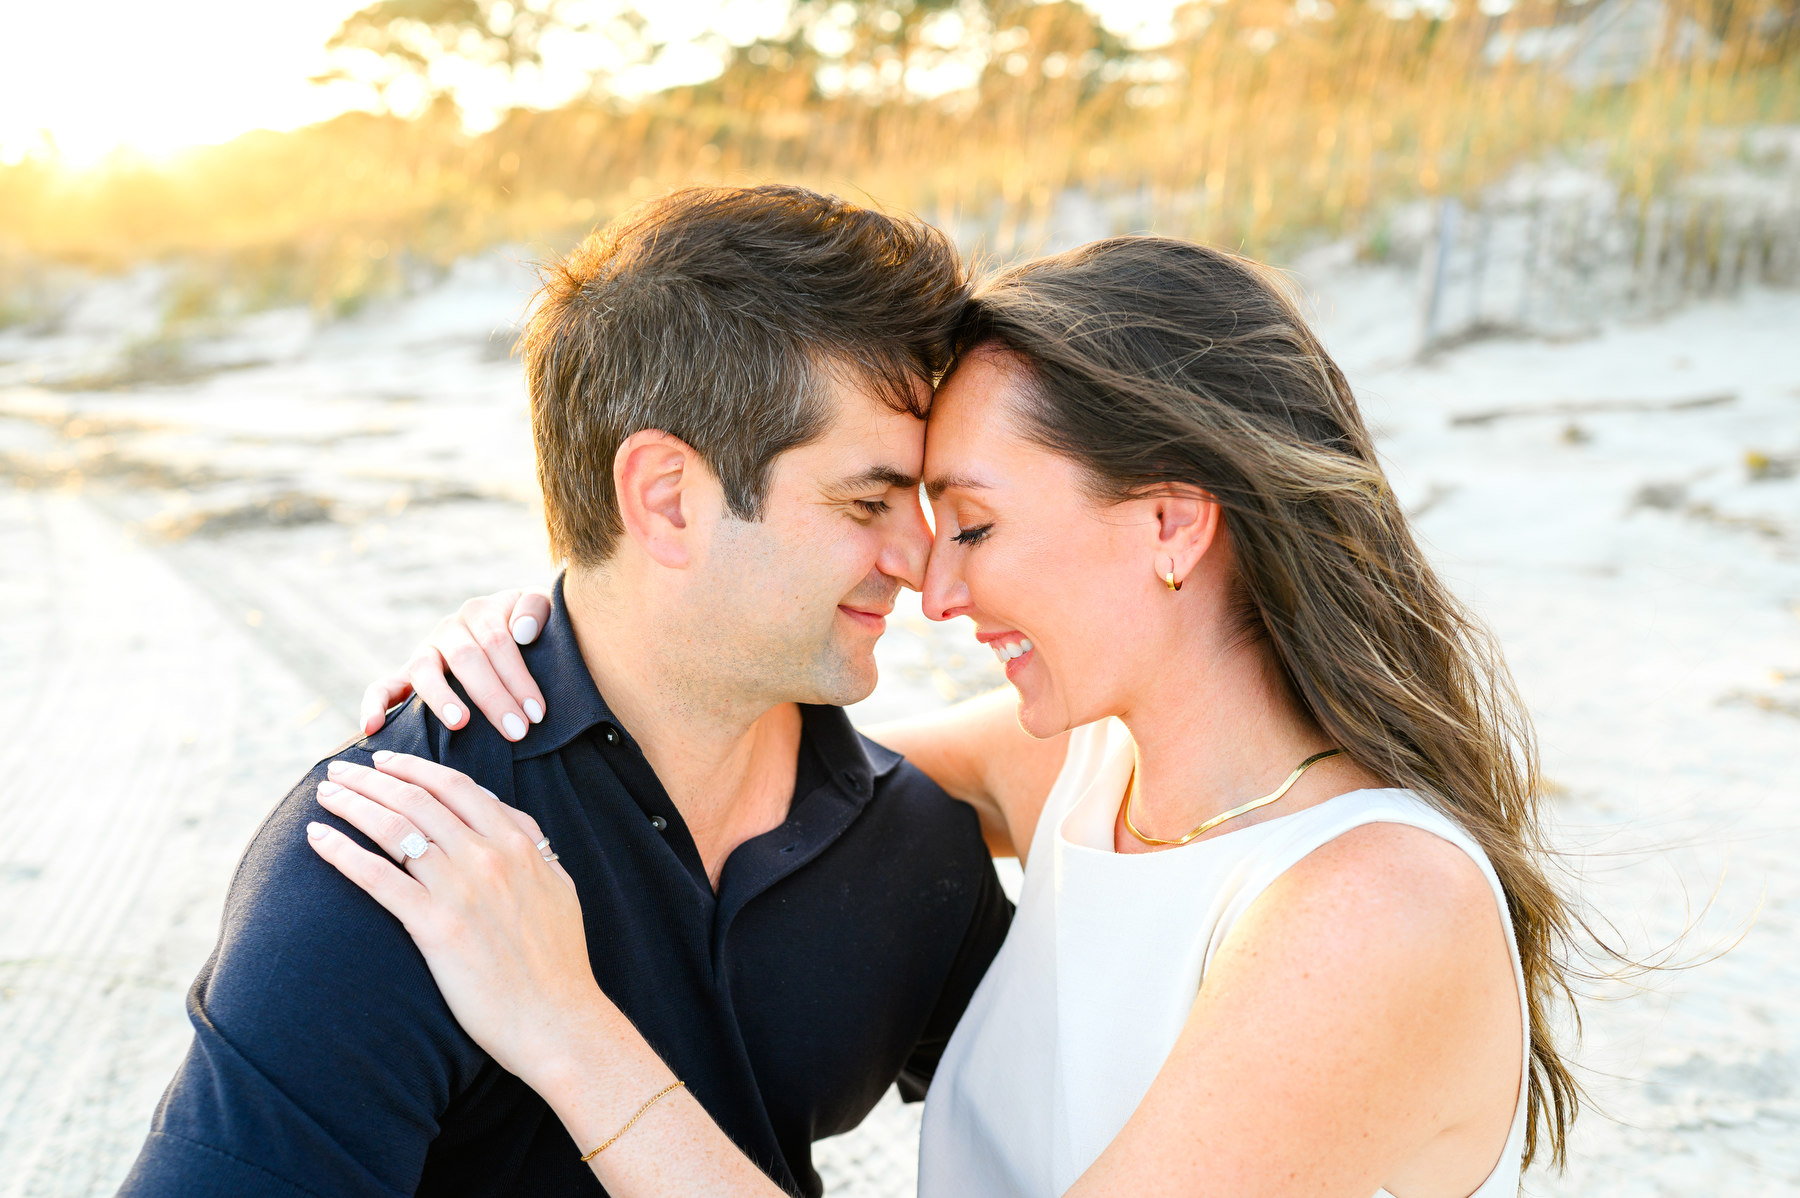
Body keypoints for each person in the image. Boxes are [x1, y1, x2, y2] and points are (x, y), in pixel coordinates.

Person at [331, 234, 1587, 1197]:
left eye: (974, 526)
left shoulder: (1368, 908)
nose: (933, 585)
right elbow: (703, 785)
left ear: (1170, 522)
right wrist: (561, 632)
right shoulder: (1088, 773)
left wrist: (562, 1026)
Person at [119, 185, 1015, 1198]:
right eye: (869, 501)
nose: (924, 564)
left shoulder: (911, 847)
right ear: (668, 499)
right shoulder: (408, 862)